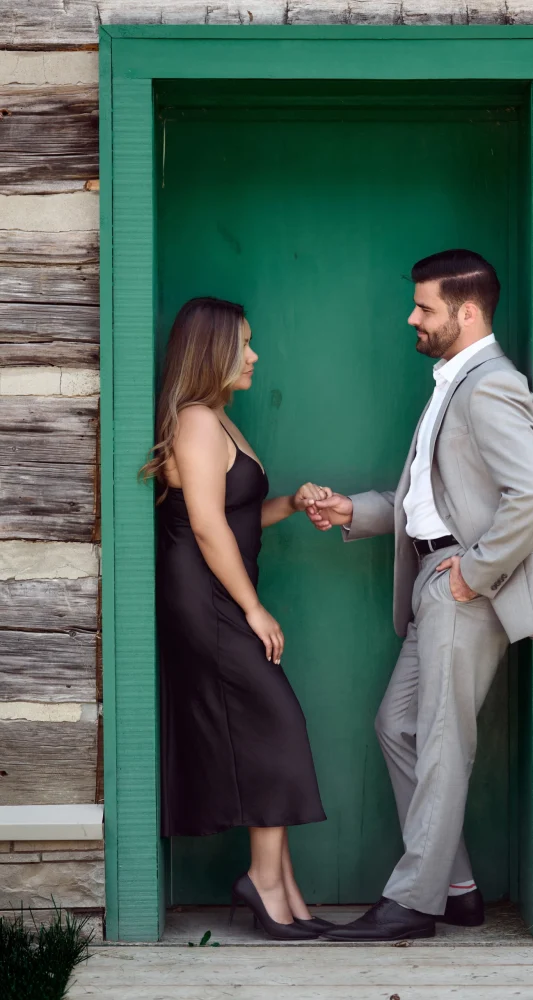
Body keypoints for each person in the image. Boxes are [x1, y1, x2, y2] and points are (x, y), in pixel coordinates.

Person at [306, 249, 533, 942]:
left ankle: (412, 903)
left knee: (445, 740)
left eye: (425, 307)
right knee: (399, 727)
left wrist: (475, 574)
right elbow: (434, 502)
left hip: (462, 587)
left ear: (467, 311)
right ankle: (458, 888)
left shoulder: (489, 386)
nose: (412, 317)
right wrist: (352, 512)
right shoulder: (452, 382)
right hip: (433, 579)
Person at [140, 296, 332, 941]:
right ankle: (264, 882)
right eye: (244, 344)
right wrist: (252, 607)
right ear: (212, 351)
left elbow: (240, 512)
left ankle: (282, 887)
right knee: (276, 725)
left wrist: (293, 502)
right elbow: (204, 523)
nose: (254, 355)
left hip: (221, 594)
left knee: (268, 732)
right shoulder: (196, 420)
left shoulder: (219, 418)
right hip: (210, 602)